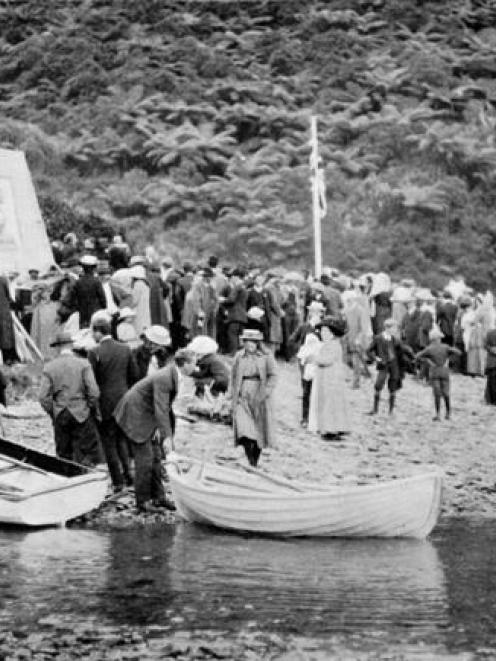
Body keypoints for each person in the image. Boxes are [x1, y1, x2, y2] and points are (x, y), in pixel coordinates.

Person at [113, 349, 197, 512]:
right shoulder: (165, 377)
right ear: (185, 364)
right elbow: (161, 408)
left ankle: (159, 497)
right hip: (135, 415)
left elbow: (162, 407)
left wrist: (161, 430)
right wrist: (167, 437)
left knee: (157, 457)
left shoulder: (173, 373)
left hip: (146, 414)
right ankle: (142, 501)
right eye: (194, 363)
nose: (196, 367)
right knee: (145, 459)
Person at [89, 318, 139, 492]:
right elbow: (134, 375)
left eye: (92, 332)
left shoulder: (94, 352)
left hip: (105, 402)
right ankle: (129, 474)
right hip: (124, 399)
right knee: (121, 439)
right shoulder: (125, 349)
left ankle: (117, 481)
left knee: (108, 442)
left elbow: (92, 381)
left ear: (97, 332)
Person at [39, 330, 102, 465]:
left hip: (61, 413)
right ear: (72, 346)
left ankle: (68, 480)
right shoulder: (83, 364)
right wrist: (89, 407)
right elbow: (94, 391)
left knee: (63, 454)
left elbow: (43, 397)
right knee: (85, 453)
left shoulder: (50, 367)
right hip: (81, 412)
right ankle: (85, 479)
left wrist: (54, 411)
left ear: (57, 347)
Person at [231, 328, 277, 466]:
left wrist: (266, 392)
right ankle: (249, 457)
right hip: (242, 393)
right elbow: (232, 376)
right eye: (247, 342)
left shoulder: (266, 356)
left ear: (258, 343)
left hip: (259, 394)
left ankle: (254, 461)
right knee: (244, 429)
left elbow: (273, 375)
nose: (250, 345)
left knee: (259, 430)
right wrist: (231, 394)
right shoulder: (239, 356)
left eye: (253, 342)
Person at [308, 319, 350, 440]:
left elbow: (327, 360)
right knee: (330, 404)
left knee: (329, 405)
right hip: (327, 379)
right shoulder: (330, 344)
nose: (322, 334)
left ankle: (330, 430)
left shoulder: (333, 345)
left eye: (325, 331)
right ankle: (333, 428)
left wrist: (314, 358)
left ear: (332, 333)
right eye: (321, 331)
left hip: (331, 380)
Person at [367, 318, 411, 416]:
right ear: (388, 328)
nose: (395, 330)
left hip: (394, 365)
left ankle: (391, 411)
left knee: (393, 386)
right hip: (383, 365)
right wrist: (376, 359)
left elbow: (403, 350)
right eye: (394, 328)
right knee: (378, 385)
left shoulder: (395, 340)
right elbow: (369, 351)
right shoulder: (378, 338)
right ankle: (375, 409)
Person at [415, 326, 461, 421]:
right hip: (444, 371)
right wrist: (448, 358)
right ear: (439, 338)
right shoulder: (445, 347)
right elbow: (458, 352)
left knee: (437, 394)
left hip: (434, 371)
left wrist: (427, 360)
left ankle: (438, 414)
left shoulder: (429, 349)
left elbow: (417, 356)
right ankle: (448, 413)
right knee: (446, 393)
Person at [60, 255, 107, 329]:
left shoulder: (78, 282)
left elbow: (70, 298)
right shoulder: (97, 282)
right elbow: (103, 300)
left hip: (82, 313)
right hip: (95, 312)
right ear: (94, 268)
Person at [296, 331, 322, 428]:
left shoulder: (320, 348)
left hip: (317, 377)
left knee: (316, 397)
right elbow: (301, 362)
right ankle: (305, 417)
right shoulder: (304, 349)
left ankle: (314, 418)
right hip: (307, 376)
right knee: (306, 396)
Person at [0, 273, 16, 364]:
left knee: (5, 335)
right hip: (3, 311)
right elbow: (9, 296)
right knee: (6, 335)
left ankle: (8, 358)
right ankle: (8, 358)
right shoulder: (3, 280)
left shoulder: (3, 280)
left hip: (3, 310)